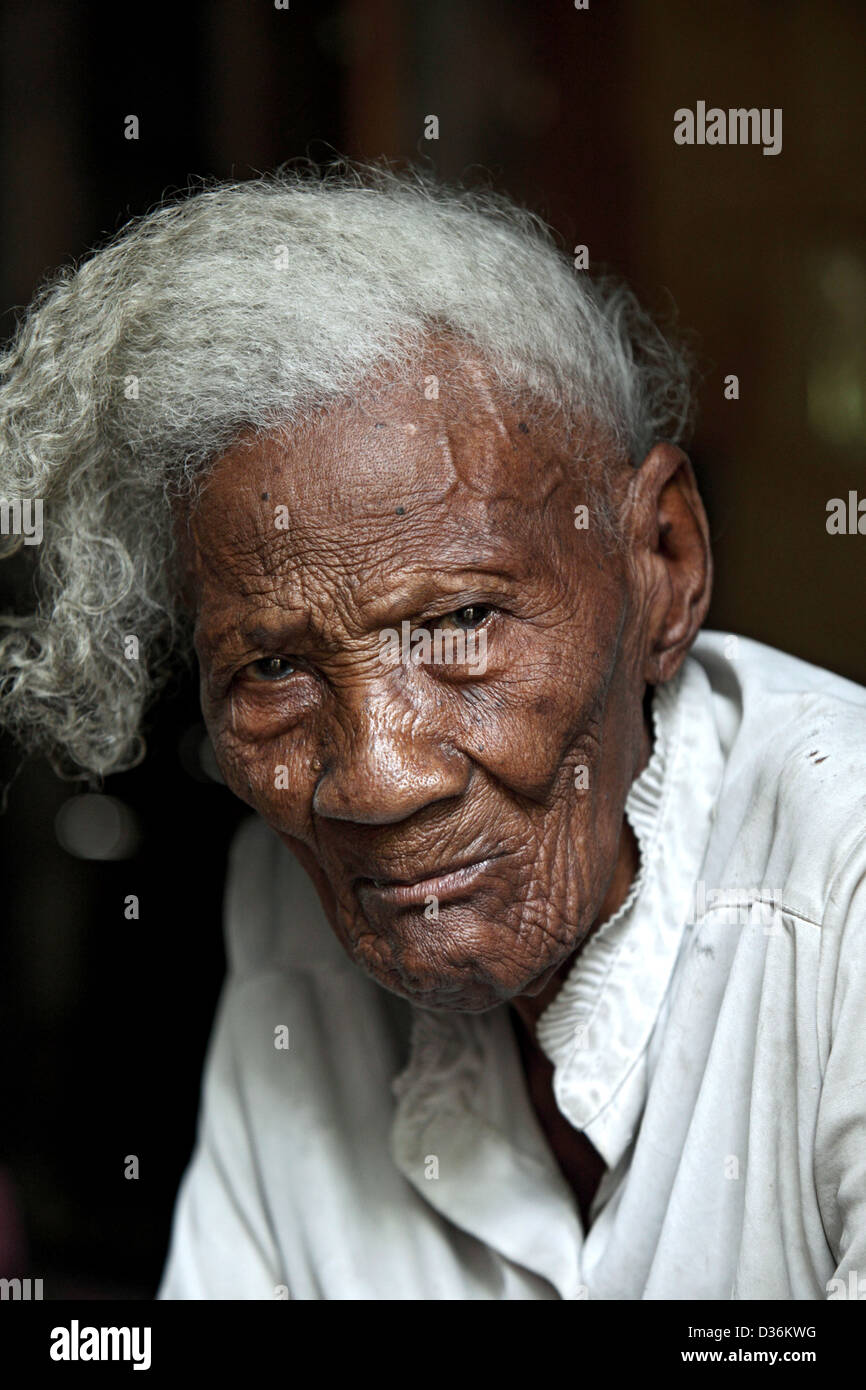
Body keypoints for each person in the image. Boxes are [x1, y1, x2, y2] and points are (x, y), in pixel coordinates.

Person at [1, 164, 864, 1300]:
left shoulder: (840, 884)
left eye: (459, 622)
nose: (377, 778)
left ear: (661, 562)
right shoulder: (286, 908)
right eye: (271, 667)